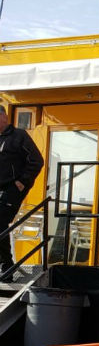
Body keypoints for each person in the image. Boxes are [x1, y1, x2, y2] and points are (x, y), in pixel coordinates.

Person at [0, 105, 44, 281]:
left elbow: (37, 160)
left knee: (0, 222)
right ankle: (6, 265)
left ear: (4, 117)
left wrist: (22, 182)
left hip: (11, 189)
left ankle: (7, 267)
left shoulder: (19, 136)